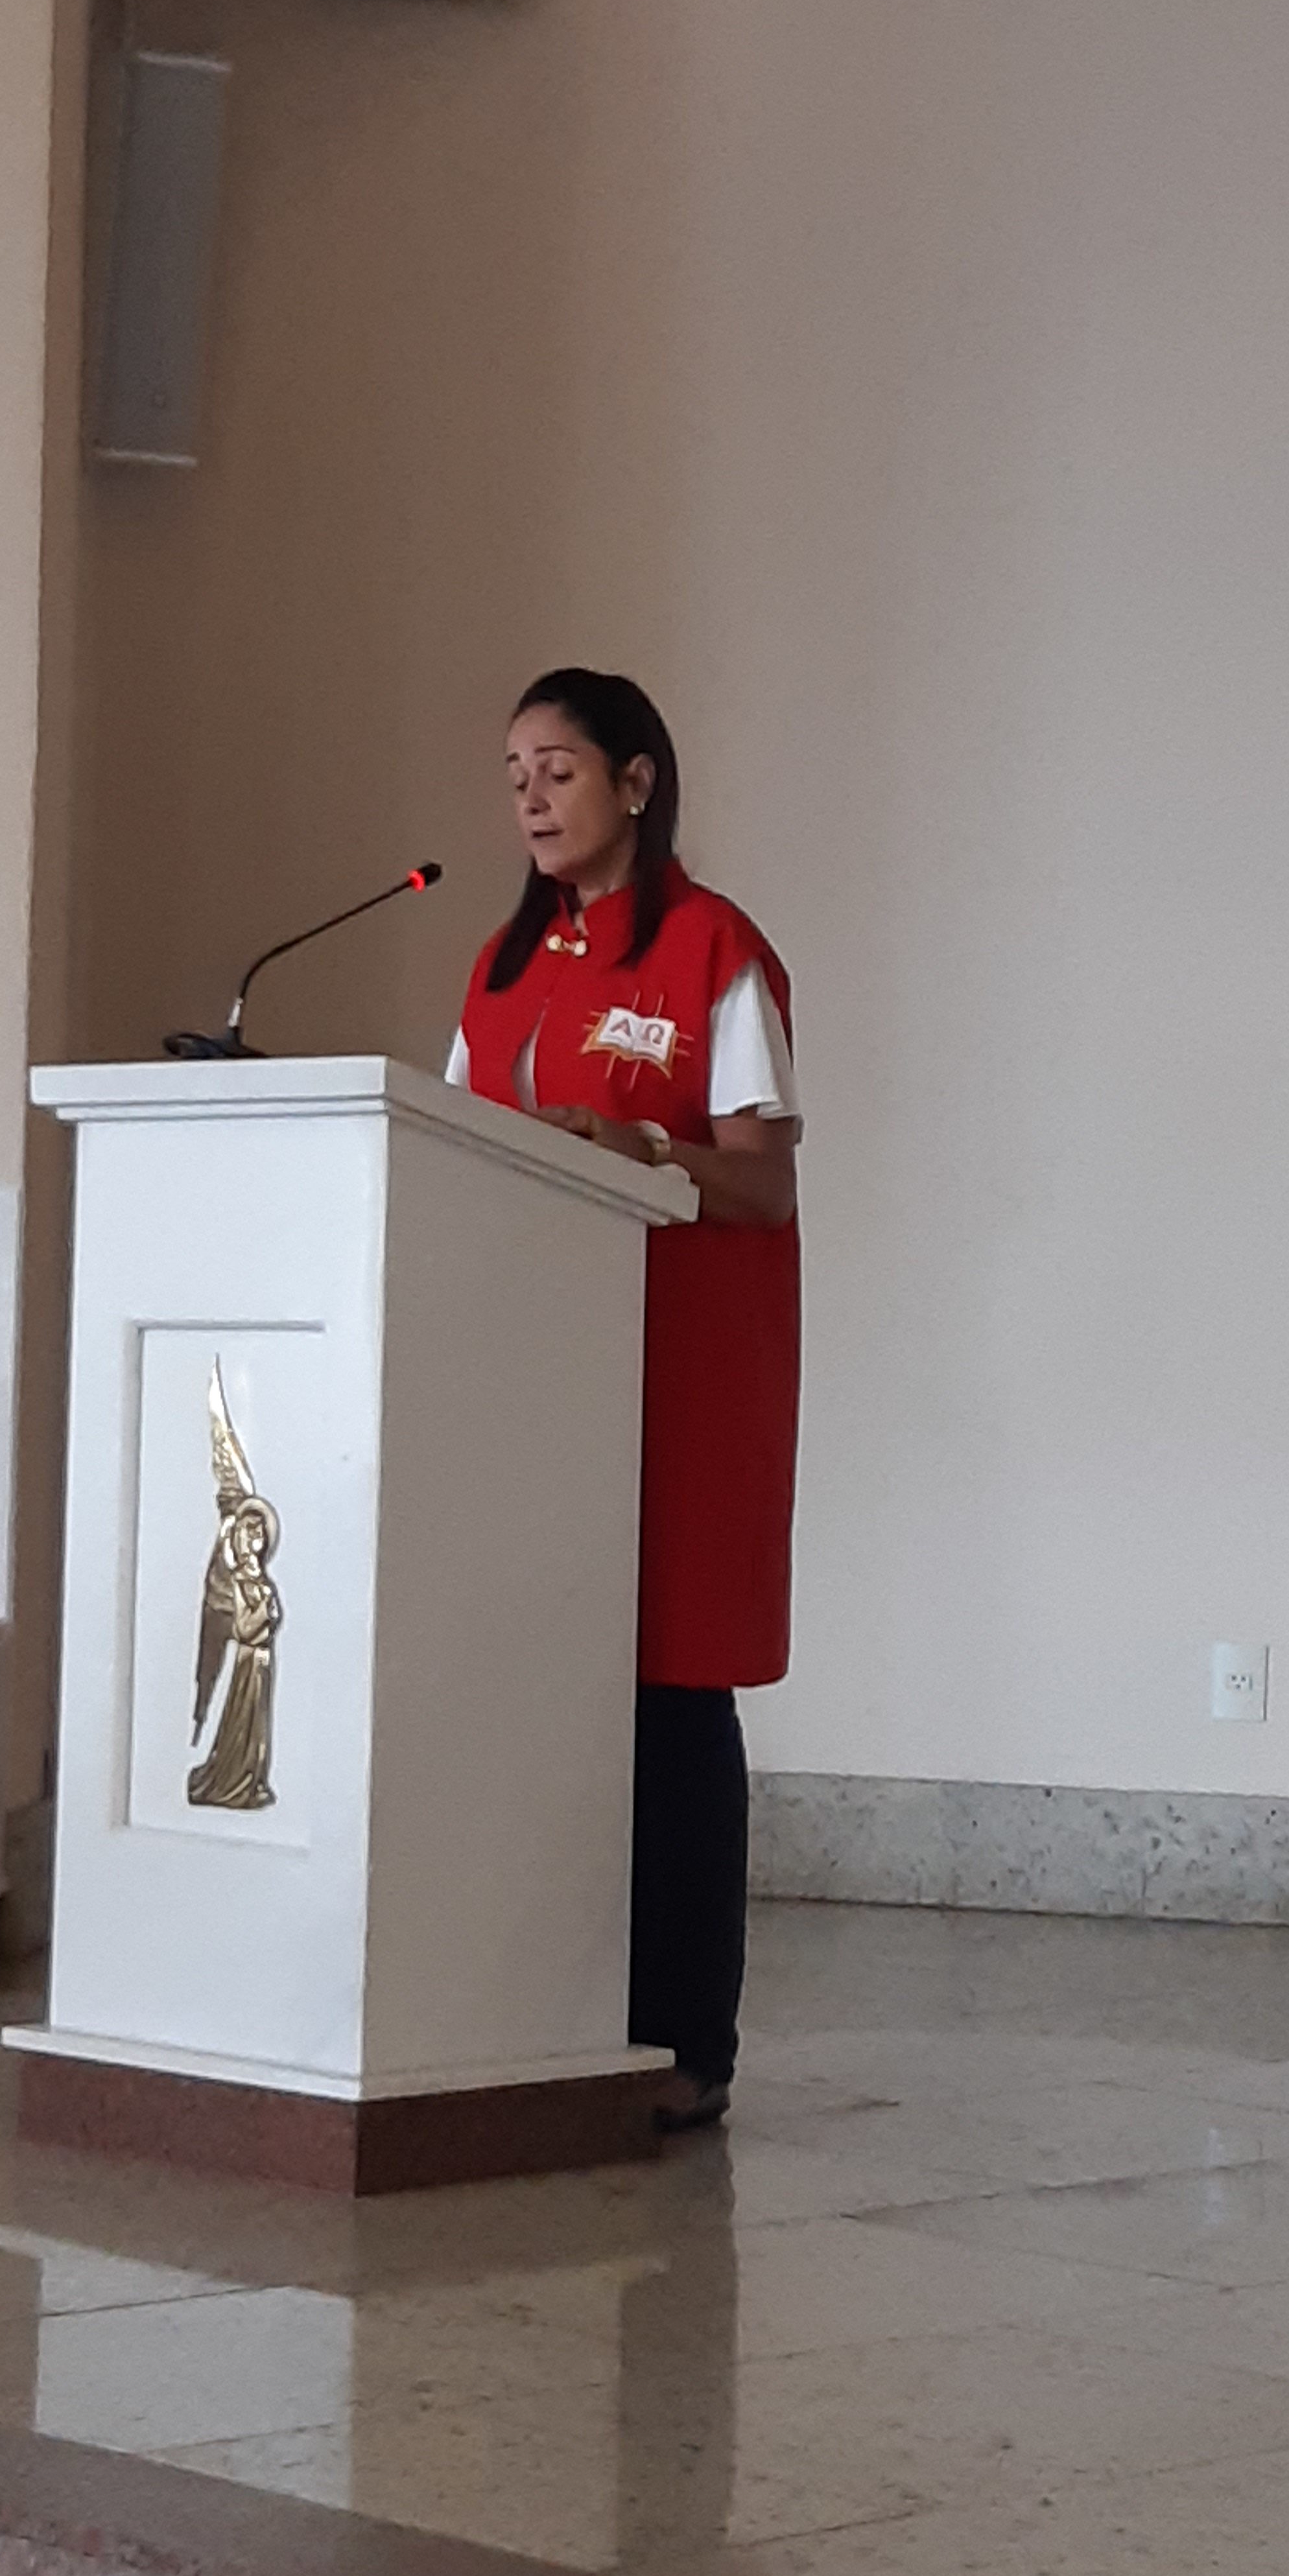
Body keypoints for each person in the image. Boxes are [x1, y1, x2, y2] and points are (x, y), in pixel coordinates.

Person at [447, 668, 800, 2131]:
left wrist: (642, 1151)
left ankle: (686, 2044)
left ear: (637, 782)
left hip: (684, 1374)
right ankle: (542, 2016)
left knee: (669, 1691)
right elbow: (451, 1146)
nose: (531, 799)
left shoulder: (714, 950)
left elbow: (764, 1183)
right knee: (541, 1685)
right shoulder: (501, 970)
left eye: (560, 770)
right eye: (515, 775)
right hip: (537, 1377)